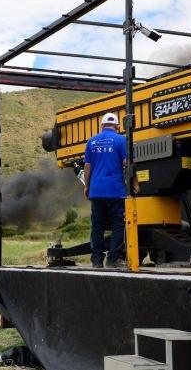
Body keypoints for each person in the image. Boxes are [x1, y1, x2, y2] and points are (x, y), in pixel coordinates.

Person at [83, 112, 139, 268]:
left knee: (98, 226)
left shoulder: (91, 142)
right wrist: (135, 182)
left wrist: (87, 186)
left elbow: (87, 167)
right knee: (118, 224)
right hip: (115, 190)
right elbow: (128, 164)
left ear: (102, 125)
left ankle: (96, 260)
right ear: (117, 126)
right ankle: (113, 258)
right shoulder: (121, 140)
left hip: (96, 191)